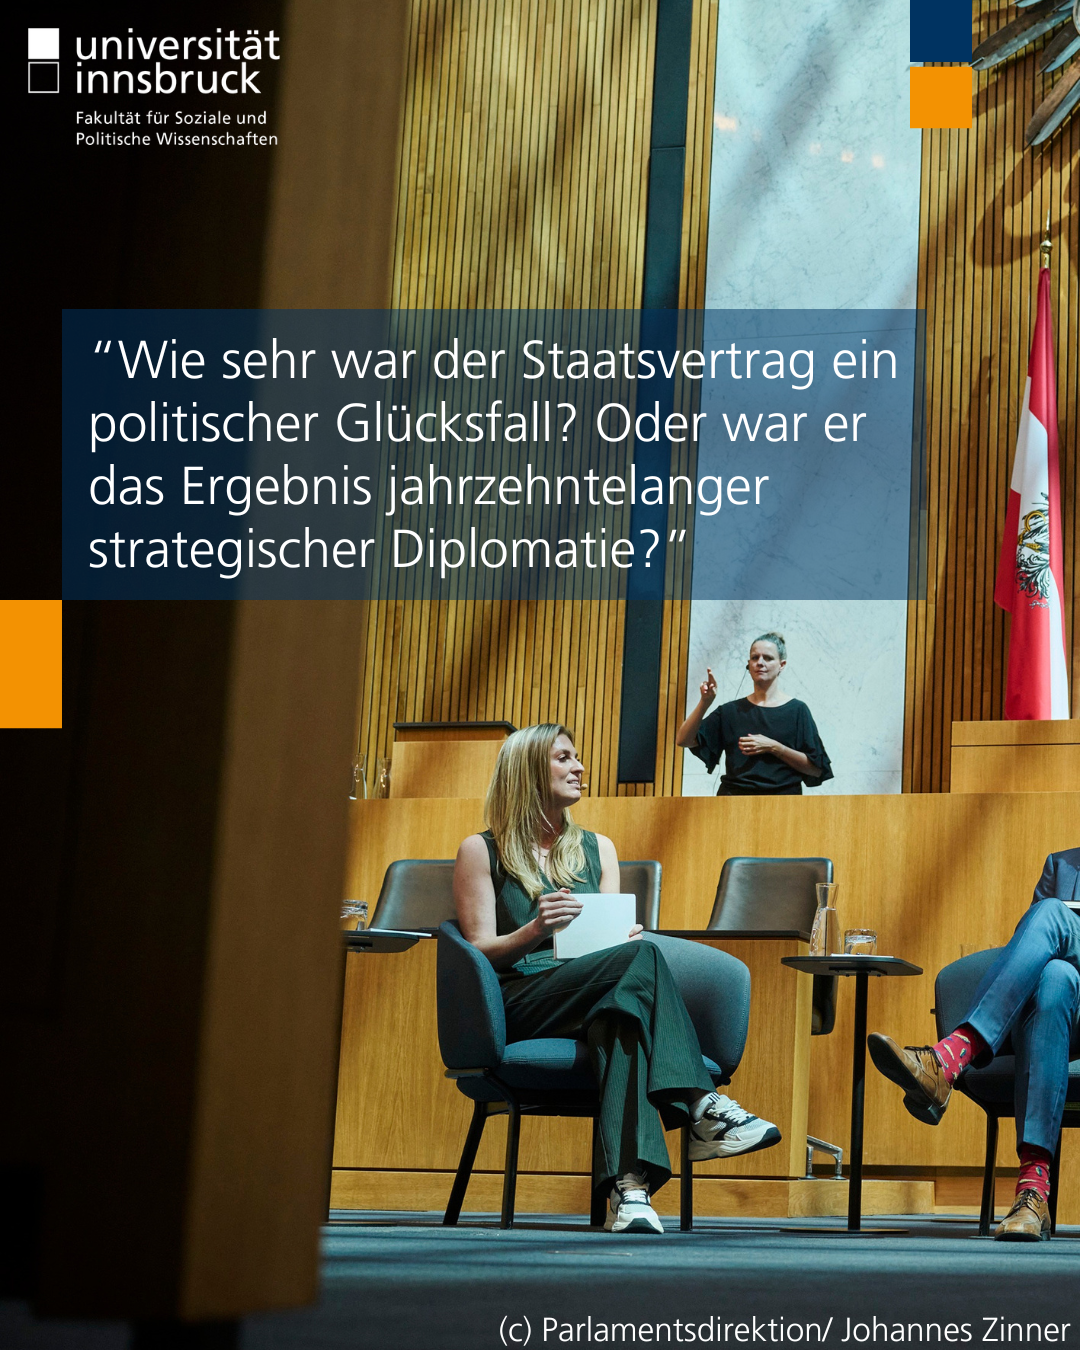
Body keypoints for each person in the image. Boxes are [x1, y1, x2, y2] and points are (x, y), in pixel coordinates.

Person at [453, 722, 781, 1234]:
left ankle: (629, 1191)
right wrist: (536, 928)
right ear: (528, 769)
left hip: (600, 986)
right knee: (640, 963)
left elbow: (611, 947)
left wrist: (621, 943)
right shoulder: (482, 849)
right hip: (525, 996)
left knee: (622, 1015)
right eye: (564, 758)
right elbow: (478, 951)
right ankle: (701, 1104)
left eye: (577, 757)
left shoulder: (598, 847)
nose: (579, 767)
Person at [868, 847, 1080, 1242]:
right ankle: (1032, 1194)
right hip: (1064, 1009)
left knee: (1052, 913)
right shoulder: (1061, 863)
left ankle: (949, 1059)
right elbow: (1030, 951)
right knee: (1053, 978)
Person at [675, 632, 833, 795]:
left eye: (768, 658)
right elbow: (683, 740)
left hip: (784, 805)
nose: (760, 663)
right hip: (734, 804)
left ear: (782, 664)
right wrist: (704, 703)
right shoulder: (730, 711)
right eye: (755, 657)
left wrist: (774, 747)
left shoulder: (797, 711)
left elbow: (816, 769)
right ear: (748, 664)